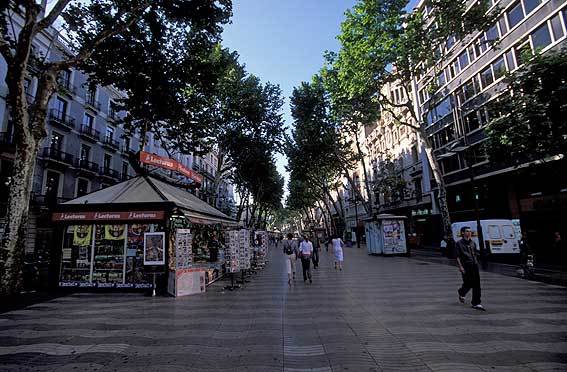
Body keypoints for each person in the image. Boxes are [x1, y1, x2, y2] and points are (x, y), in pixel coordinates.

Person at [455, 226, 485, 311]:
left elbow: (475, 253)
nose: (469, 233)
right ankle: (462, 292)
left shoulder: (473, 243)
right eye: (467, 231)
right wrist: (460, 267)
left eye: (470, 231)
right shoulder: (459, 243)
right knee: (468, 283)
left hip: (474, 265)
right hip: (466, 265)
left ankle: (476, 303)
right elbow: (457, 256)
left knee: (477, 284)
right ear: (463, 233)